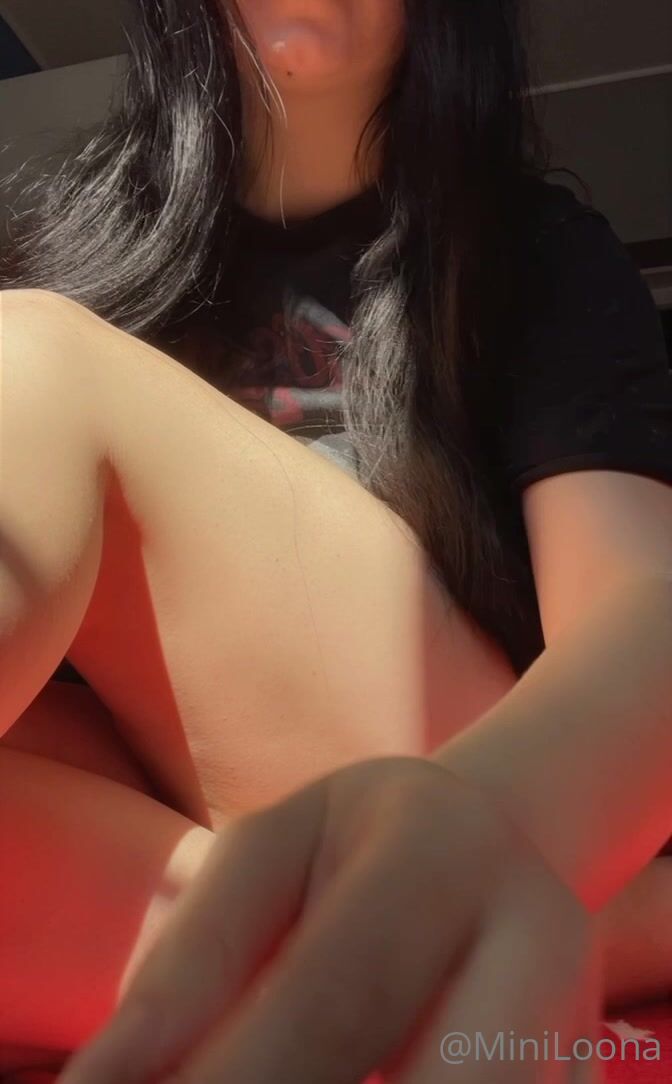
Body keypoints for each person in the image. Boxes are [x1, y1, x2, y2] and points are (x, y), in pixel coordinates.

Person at [0, 0, 671, 1080]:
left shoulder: (528, 255)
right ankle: (390, 965)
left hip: (455, 778)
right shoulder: (65, 241)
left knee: (30, 364)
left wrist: (487, 825)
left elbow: (643, 613)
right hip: (170, 827)